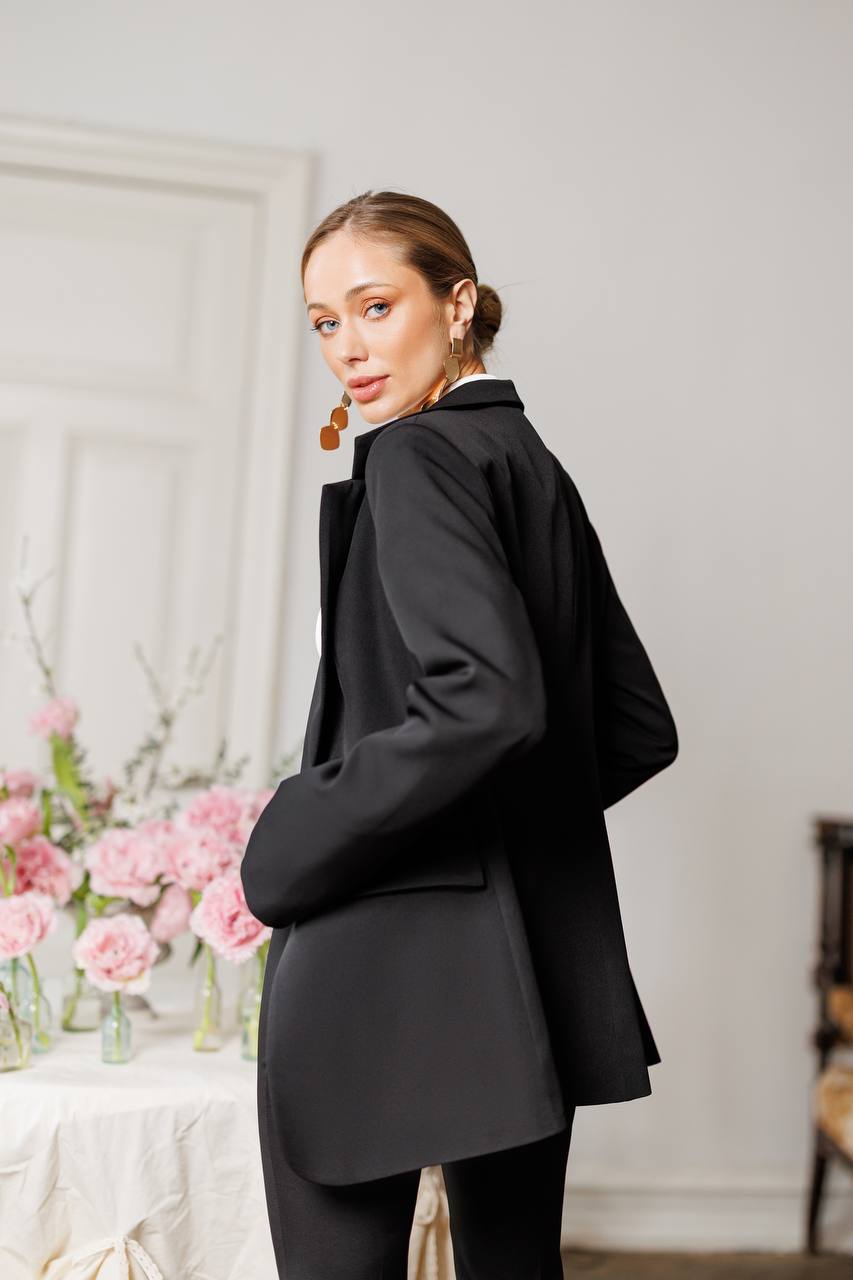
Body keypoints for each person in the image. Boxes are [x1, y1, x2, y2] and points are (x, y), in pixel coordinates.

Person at [241, 190, 679, 1280]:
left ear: (459, 300)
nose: (347, 345)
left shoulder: (418, 458)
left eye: (374, 305)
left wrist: (298, 830)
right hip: (528, 959)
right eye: (323, 321)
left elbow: (486, 698)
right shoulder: (528, 460)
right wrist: (496, 852)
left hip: (370, 961)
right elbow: (632, 725)